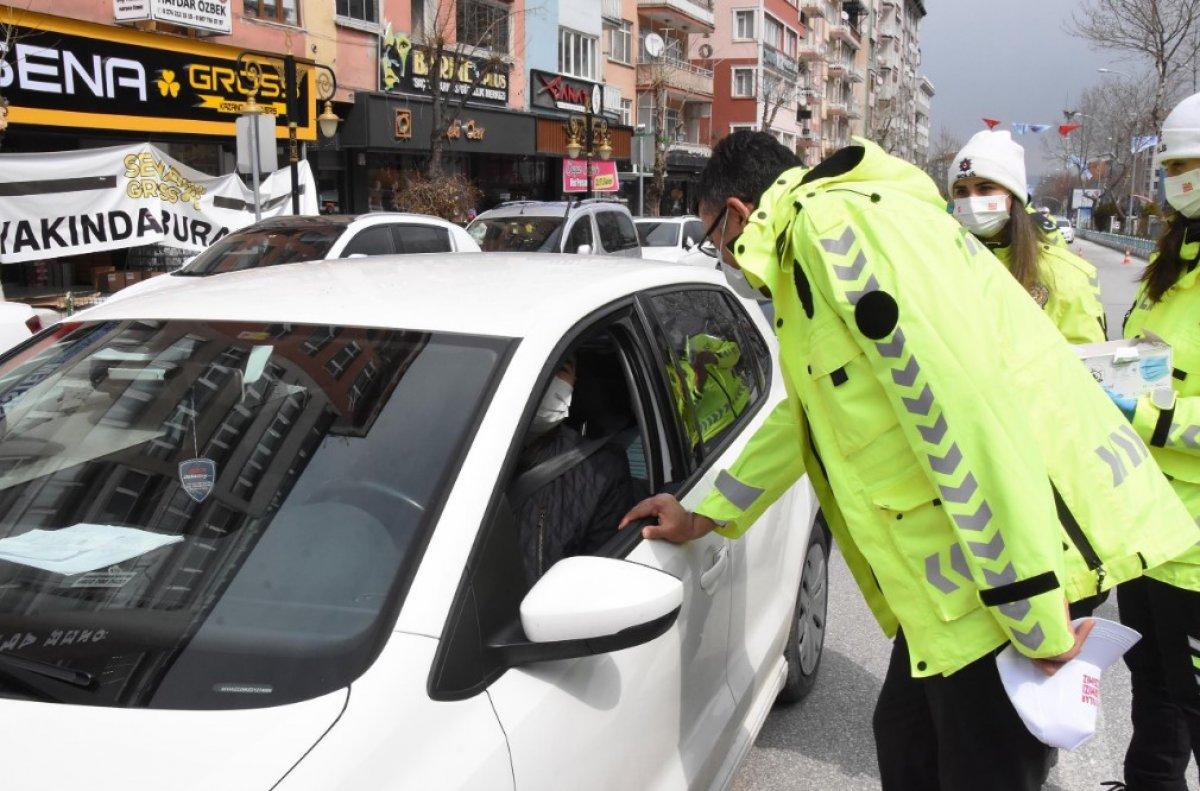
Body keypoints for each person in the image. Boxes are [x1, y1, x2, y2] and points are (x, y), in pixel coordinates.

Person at [620, 131, 1199, 791]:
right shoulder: (823, 240)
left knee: (971, 768)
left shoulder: (830, 237)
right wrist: (705, 512)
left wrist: (1034, 615)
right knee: (906, 746)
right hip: (954, 594)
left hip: (998, 579)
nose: (721, 255)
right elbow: (808, 413)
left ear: (738, 211)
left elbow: (966, 411)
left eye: (712, 236)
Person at [1108, 91, 1200, 790]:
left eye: (1191, 163)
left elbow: (1159, 402)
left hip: (1196, 555)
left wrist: (1143, 414)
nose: (1179, 177)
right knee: (1156, 690)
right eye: (1173, 163)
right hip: (1148, 534)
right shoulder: (1170, 270)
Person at [948, 130, 1106, 344]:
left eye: (985, 189)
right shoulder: (943, 264)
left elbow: (1087, 364)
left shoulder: (1065, 276)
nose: (972, 201)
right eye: (961, 192)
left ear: (1013, 197)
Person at [513, 357, 635, 584]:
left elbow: (597, 582)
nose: (546, 380)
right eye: (537, 367)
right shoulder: (451, 449)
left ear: (575, 382)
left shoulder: (602, 470)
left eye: (560, 370)